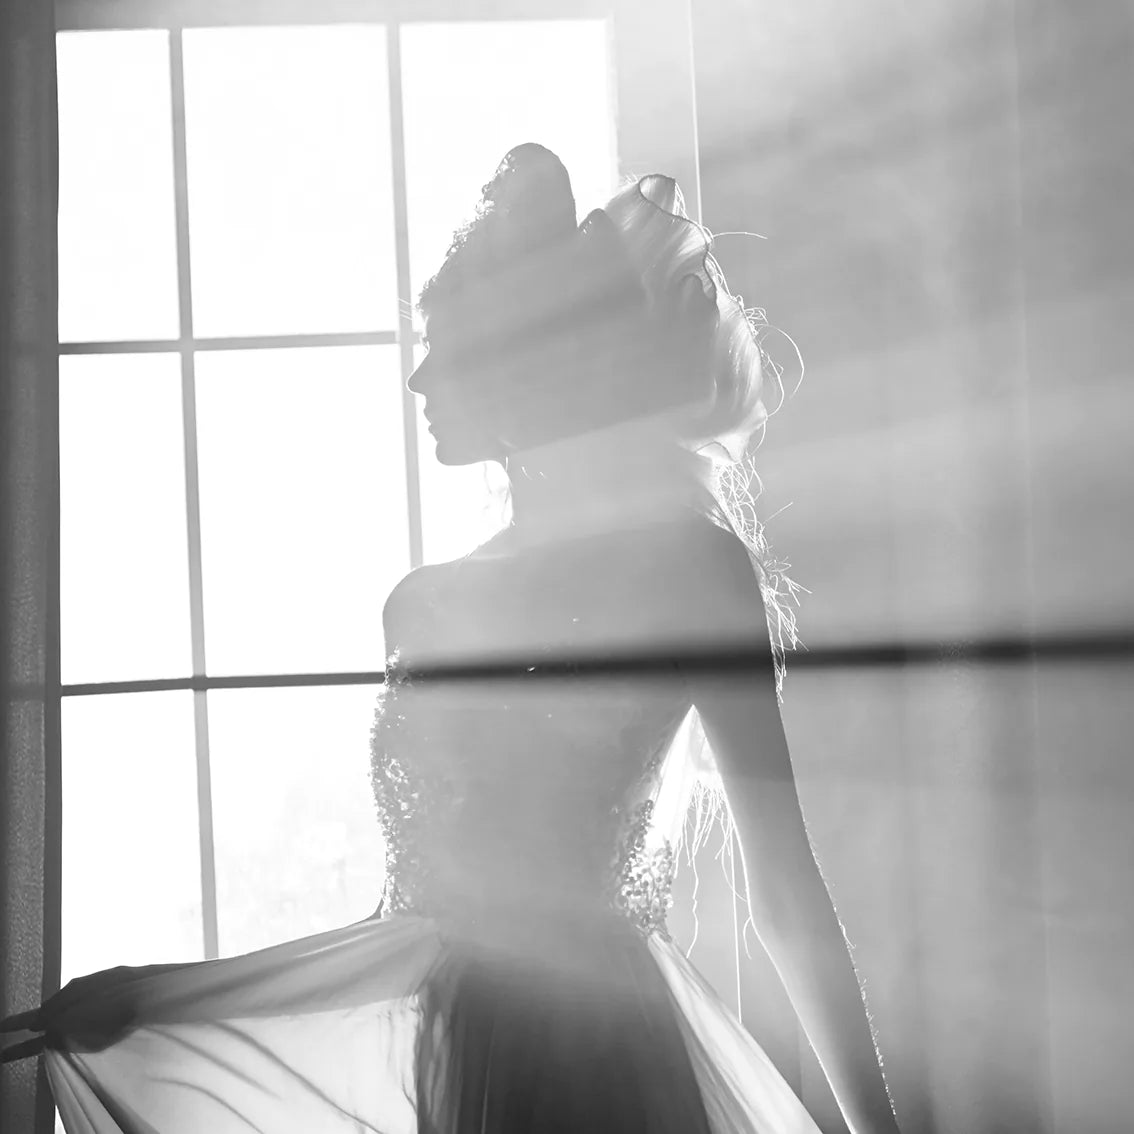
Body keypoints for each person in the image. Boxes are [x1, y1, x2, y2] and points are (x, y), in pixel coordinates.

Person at [2, 143, 899, 1134]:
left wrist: (879, 1132)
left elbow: (784, 891)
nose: (420, 378)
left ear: (531, 361)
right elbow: (403, 926)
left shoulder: (692, 567)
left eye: (451, 344)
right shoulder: (421, 605)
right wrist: (156, 1000)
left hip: (609, 1055)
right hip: (462, 1059)